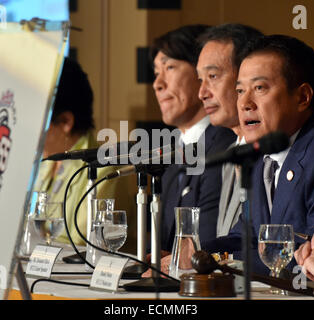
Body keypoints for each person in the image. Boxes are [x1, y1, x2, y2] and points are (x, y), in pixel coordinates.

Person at [202, 34, 314, 275]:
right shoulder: (264, 156)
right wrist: (195, 254)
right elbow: (245, 238)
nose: (244, 103)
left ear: (303, 97)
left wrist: (216, 261)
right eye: (240, 91)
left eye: (259, 88)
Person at [150, 25, 236, 257]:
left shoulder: (226, 146)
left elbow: (207, 245)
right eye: (156, 72)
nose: (158, 84)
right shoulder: (171, 151)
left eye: (169, 67)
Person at [34, 57, 134, 251]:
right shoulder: (46, 162)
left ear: (65, 122)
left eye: (38, 118)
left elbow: (83, 243)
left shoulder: (103, 167)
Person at [197, 24, 263, 237]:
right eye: (200, 80)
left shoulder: (271, 158)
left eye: (213, 76)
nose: (202, 93)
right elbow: (229, 243)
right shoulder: (230, 156)